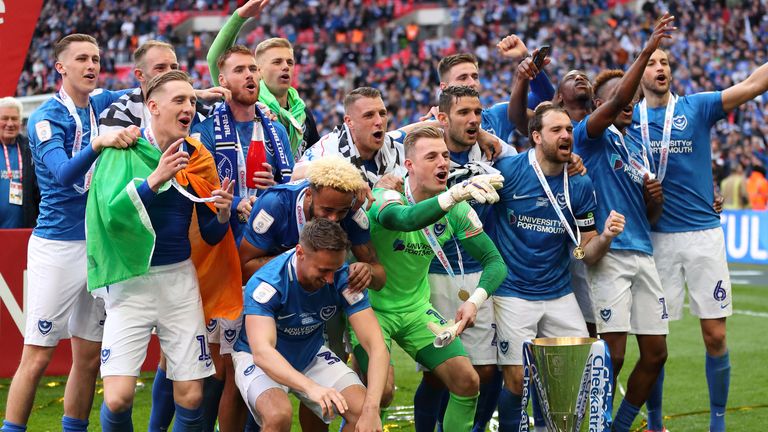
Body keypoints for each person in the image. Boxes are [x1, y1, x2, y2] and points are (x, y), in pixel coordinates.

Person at [1, 34, 138, 432]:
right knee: (38, 357)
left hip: (97, 245)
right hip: (57, 246)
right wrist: (99, 142)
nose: (91, 65)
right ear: (61, 67)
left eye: (95, 58)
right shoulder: (45, 116)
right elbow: (62, 174)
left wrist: (197, 91)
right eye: (81, 59)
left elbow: (150, 91)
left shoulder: (100, 103)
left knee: (89, 357)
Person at [628, 46, 768, 432]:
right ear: (639, 73)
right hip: (654, 240)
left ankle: (717, 423)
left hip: (704, 235)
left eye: (666, 64)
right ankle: (655, 423)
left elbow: (754, 83)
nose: (660, 69)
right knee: (653, 346)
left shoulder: (697, 107)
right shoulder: (626, 121)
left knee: (715, 334)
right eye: (652, 63)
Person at [86, 70, 235, 431]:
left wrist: (224, 213)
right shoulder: (124, 150)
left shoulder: (196, 155)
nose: (189, 108)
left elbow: (212, 235)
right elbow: (111, 217)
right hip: (130, 282)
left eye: (192, 101)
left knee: (192, 396)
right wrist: (156, 179)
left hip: (179, 283)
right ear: (152, 106)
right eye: (179, 100)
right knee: (117, 398)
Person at [355, 125, 507, 432]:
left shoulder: (456, 209)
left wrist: (474, 303)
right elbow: (405, 220)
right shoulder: (387, 196)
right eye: (431, 157)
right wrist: (453, 195)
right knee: (381, 391)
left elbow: (495, 263)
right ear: (409, 165)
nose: (442, 163)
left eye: (446, 156)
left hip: (414, 310)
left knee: (467, 382)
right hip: (369, 309)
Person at [489, 104, 625, 431]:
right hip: (512, 292)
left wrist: (605, 236)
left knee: (574, 380)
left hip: (559, 292)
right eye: (556, 130)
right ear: (536, 136)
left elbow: (588, 253)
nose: (566, 135)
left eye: (568, 129)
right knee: (518, 382)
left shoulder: (579, 184)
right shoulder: (508, 171)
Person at [189, 43, 295, 431]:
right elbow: (197, 192)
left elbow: (290, 189)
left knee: (256, 359)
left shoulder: (275, 128)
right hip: (220, 256)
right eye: (239, 70)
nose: (250, 76)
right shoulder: (204, 128)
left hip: (266, 255)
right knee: (221, 366)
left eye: (253, 69)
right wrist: (233, 206)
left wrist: (275, 186)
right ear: (222, 80)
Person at [232, 218, 389, 431]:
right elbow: (262, 353)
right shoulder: (268, 283)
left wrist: (372, 409)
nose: (331, 279)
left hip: (309, 353)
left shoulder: (343, 277)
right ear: (300, 253)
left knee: (362, 411)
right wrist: (311, 388)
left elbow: (377, 346)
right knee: (278, 415)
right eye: (323, 270)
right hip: (259, 358)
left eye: (335, 269)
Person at [207, 0, 320, 158]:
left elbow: (316, 158)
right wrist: (239, 17)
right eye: (277, 62)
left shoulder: (302, 112)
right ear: (258, 71)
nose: (285, 67)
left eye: (290, 62)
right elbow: (215, 60)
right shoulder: (245, 103)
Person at [99, 39, 231, 134]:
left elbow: (232, 118)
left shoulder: (196, 108)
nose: (170, 73)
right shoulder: (119, 113)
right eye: (160, 68)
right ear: (140, 75)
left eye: (174, 67)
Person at [0, 97, 39, 229]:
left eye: (14, 118)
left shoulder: (31, 149)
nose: (10, 123)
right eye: (4, 118)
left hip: (24, 231)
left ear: (21, 122)